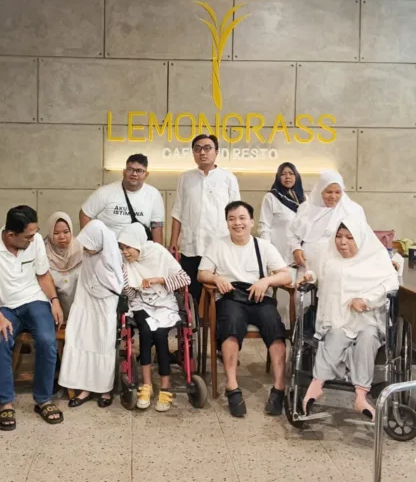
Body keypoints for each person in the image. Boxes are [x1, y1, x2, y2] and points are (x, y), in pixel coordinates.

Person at [0, 205, 64, 431]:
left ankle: (44, 399)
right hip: (2, 305)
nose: (33, 239)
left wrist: (54, 300)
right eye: (28, 236)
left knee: (47, 340)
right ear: (11, 235)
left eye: (34, 233)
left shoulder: (35, 241)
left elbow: (43, 275)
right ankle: (5, 403)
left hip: (34, 300)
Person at [197, 201, 291, 418]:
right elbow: (202, 273)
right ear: (226, 223)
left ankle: (279, 387)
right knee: (230, 326)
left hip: (259, 296)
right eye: (232, 219)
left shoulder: (263, 246)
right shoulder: (217, 245)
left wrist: (266, 281)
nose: (237, 223)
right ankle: (232, 386)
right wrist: (217, 278)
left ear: (251, 221)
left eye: (242, 218)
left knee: (274, 327)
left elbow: (286, 275)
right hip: (231, 297)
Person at [301, 217, 399, 420]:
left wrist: (367, 300)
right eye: (338, 236)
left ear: (360, 238)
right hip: (337, 317)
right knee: (335, 336)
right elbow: (315, 273)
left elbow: (391, 283)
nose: (342, 242)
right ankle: (316, 385)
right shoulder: (328, 255)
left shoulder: (375, 256)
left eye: (349, 237)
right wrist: (309, 276)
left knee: (367, 338)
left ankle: (361, 396)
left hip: (367, 318)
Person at [118, 223, 190, 412]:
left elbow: (184, 279)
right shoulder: (125, 262)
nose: (124, 252)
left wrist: (160, 279)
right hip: (141, 303)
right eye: (122, 248)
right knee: (145, 330)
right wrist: (127, 283)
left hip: (164, 302)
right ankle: (147, 384)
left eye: (128, 247)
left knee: (160, 335)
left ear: (138, 244)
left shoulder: (158, 252)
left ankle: (165, 386)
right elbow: (131, 296)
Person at [59, 220, 124, 408]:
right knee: (82, 341)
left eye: (89, 244)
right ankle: (85, 388)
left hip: (105, 307)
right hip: (86, 305)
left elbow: (116, 285)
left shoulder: (111, 257)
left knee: (102, 345)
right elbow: (84, 282)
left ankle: (105, 390)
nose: (86, 248)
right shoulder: (89, 255)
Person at [169, 134, 240, 305]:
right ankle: (196, 322)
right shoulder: (185, 178)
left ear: (217, 151)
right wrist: (173, 242)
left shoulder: (228, 178)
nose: (202, 152)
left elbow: (236, 214)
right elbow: (178, 211)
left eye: (208, 148)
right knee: (192, 294)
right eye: (197, 149)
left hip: (219, 246)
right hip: (191, 246)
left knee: (219, 294)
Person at [288, 169, 366, 281]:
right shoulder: (306, 208)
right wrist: (295, 249)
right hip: (307, 266)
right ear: (320, 190)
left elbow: (361, 239)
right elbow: (292, 232)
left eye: (338, 192)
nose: (333, 196)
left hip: (337, 267)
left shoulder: (353, 210)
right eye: (329, 192)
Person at [80, 154, 165, 242]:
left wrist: (156, 250)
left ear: (146, 175)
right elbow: (85, 214)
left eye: (139, 171)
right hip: (108, 247)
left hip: (139, 248)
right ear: (124, 172)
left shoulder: (154, 195)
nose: (134, 174)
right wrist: (89, 242)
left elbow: (157, 228)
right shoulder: (105, 192)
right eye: (130, 169)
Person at [258, 162, 306, 264]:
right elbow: (264, 227)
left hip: (300, 253)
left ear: (296, 176)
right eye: (283, 174)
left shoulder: (304, 198)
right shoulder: (271, 197)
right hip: (279, 252)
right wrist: (266, 252)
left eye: (291, 173)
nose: (287, 177)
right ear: (278, 177)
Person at [44, 212, 83, 320]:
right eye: (56, 233)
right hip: (53, 313)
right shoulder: (42, 252)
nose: (62, 237)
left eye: (66, 232)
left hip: (80, 313)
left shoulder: (81, 249)